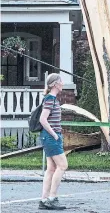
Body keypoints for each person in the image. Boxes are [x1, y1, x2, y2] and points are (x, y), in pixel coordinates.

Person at [38, 73, 68, 210]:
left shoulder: (53, 99)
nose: (62, 83)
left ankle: (44, 200)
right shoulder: (50, 99)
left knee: (51, 168)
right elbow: (43, 119)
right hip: (51, 137)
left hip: (50, 137)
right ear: (55, 84)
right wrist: (54, 135)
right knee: (62, 166)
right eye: (61, 81)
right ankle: (52, 198)